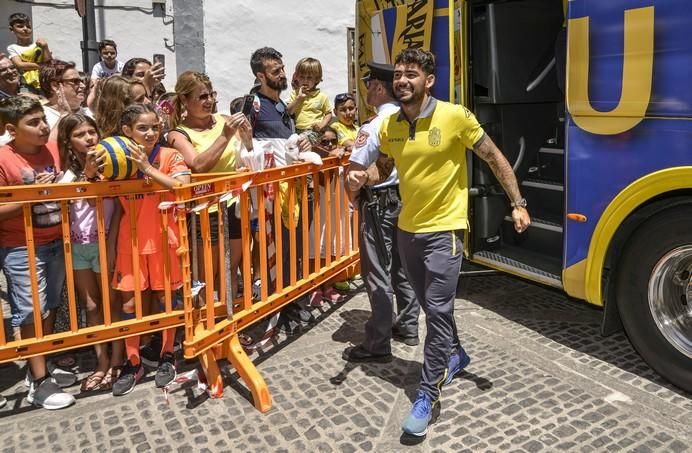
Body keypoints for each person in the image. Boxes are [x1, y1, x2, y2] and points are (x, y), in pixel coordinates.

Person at [347, 49, 531, 437]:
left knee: (436, 309)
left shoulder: (454, 117)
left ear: (429, 80)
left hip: (444, 231)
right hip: (406, 230)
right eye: (398, 74)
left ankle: (427, 394)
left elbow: (494, 158)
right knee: (433, 305)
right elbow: (386, 166)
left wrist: (518, 203)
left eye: (411, 74)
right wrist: (363, 177)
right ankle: (455, 353)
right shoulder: (390, 125)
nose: (402, 81)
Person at [343, 61, 421, 366]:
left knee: (377, 271)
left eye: (368, 84)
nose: (366, 91)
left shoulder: (374, 126)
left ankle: (377, 342)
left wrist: (352, 199)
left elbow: (358, 172)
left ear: (378, 87)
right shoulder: (409, 119)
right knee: (403, 267)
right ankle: (409, 325)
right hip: (406, 199)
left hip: (378, 202)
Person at [110, 103, 191, 396]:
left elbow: (183, 187)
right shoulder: (117, 157)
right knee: (129, 304)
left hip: (163, 239)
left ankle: (168, 354)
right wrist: (92, 169)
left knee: (167, 299)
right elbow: (91, 182)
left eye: (155, 127)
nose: (150, 133)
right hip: (129, 243)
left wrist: (147, 168)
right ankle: (133, 363)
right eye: (143, 128)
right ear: (127, 131)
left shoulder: (169, 155)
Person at [0, 96, 75, 409]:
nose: (43, 127)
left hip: (56, 240)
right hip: (21, 246)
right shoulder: (3, 158)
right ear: (11, 129)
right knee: (31, 311)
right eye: (33, 122)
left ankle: (40, 366)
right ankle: (40, 384)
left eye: (43, 119)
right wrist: (33, 196)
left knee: (50, 306)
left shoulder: (54, 150)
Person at [168, 71, 251, 299]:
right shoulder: (177, 134)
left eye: (211, 94)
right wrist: (225, 135)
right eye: (202, 96)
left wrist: (248, 138)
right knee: (209, 274)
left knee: (231, 270)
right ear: (184, 100)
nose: (209, 101)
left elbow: (247, 154)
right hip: (206, 212)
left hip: (234, 204)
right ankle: (211, 324)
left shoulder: (224, 120)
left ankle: (231, 325)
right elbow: (197, 165)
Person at [248, 46, 313, 330]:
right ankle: (280, 307)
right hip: (269, 195)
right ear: (261, 75)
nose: (283, 74)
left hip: (293, 192)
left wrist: (305, 141)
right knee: (276, 252)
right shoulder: (253, 104)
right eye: (276, 71)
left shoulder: (282, 107)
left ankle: (293, 303)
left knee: (293, 249)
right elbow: (245, 146)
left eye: (282, 68)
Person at [57, 113, 123, 391]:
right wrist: (83, 174)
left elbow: (111, 204)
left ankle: (118, 360)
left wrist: (91, 176)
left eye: (91, 132)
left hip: (103, 241)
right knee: (92, 306)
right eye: (80, 134)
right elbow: (62, 197)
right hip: (77, 244)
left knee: (111, 304)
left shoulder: (110, 162)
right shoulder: (65, 168)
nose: (88, 138)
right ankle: (101, 360)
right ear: (68, 142)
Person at [38, 59, 90, 140]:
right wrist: (64, 116)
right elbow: (47, 148)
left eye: (81, 81)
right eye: (75, 81)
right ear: (55, 86)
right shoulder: (40, 118)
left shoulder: (90, 113)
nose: (83, 86)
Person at [6, 13, 51, 94]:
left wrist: (45, 47)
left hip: (45, 81)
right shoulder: (13, 47)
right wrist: (42, 66)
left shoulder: (39, 44)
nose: (25, 29)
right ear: (11, 29)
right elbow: (20, 65)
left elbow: (49, 62)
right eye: (20, 26)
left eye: (28, 26)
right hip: (27, 84)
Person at [287, 57, 332, 133]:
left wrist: (322, 124)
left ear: (317, 79)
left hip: (316, 131)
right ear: (297, 77)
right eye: (302, 77)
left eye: (309, 78)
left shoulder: (322, 96)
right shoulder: (295, 94)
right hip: (298, 130)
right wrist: (299, 98)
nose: (305, 81)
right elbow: (289, 111)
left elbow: (328, 114)